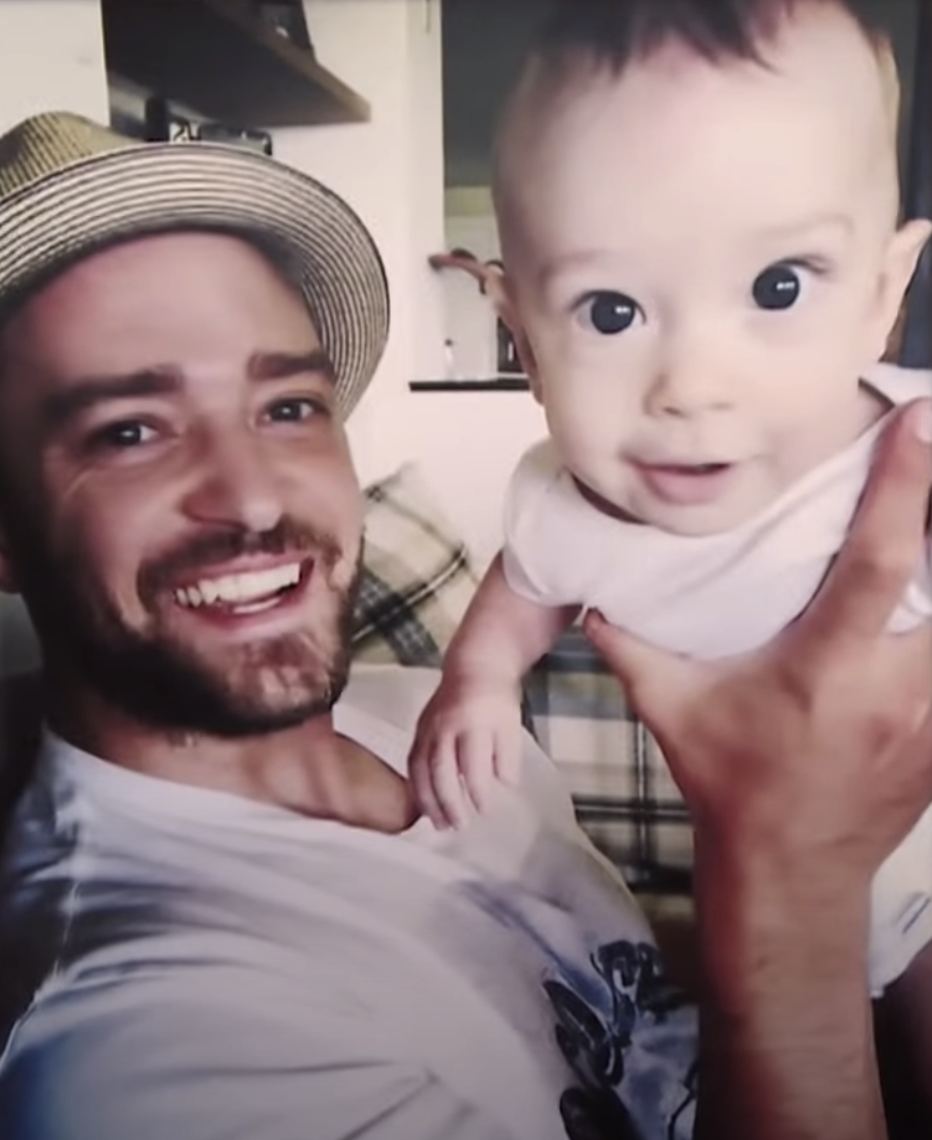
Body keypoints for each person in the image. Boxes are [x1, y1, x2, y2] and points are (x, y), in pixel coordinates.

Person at [0, 108, 927, 1140]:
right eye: (130, 430)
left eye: (288, 407)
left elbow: (622, 1007)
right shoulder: (150, 1045)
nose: (255, 497)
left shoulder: (413, 711)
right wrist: (794, 889)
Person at [408, 0, 932, 1004]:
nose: (689, 386)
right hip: (749, 871)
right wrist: (472, 686)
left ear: (882, 292)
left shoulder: (907, 448)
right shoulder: (569, 508)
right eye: (611, 312)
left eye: (777, 287)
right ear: (518, 331)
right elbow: (523, 587)